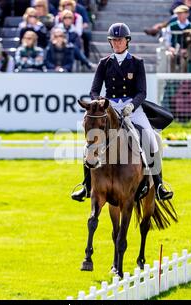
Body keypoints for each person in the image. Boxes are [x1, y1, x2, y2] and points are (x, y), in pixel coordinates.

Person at [71, 22, 173, 202]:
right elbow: (94, 89)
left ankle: (159, 185)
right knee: (92, 140)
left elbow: (142, 92)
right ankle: (86, 186)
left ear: (127, 41)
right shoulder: (104, 63)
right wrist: (100, 102)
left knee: (151, 138)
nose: (117, 43)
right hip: (109, 107)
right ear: (110, 43)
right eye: (114, 40)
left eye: (120, 40)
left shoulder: (137, 62)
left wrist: (132, 105)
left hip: (132, 107)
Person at [165, 5, 191, 73]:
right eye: (178, 14)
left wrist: (186, 50)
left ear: (187, 14)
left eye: (181, 13)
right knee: (170, 57)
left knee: (185, 60)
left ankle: (184, 80)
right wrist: (170, 48)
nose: (179, 15)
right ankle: (171, 79)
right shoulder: (171, 26)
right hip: (174, 50)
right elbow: (167, 41)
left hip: (186, 51)